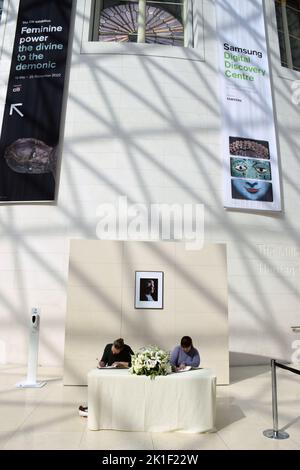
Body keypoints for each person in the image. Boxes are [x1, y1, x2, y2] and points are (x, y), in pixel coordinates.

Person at [78, 338, 134, 417]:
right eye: (113, 350)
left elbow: (133, 364)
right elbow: (104, 360)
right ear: (113, 345)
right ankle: (93, 408)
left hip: (122, 375)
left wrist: (121, 363)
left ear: (121, 349)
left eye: (115, 352)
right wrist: (102, 363)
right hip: (109, 373)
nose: (113, 353)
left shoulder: (127, 349)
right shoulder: (108, 347)